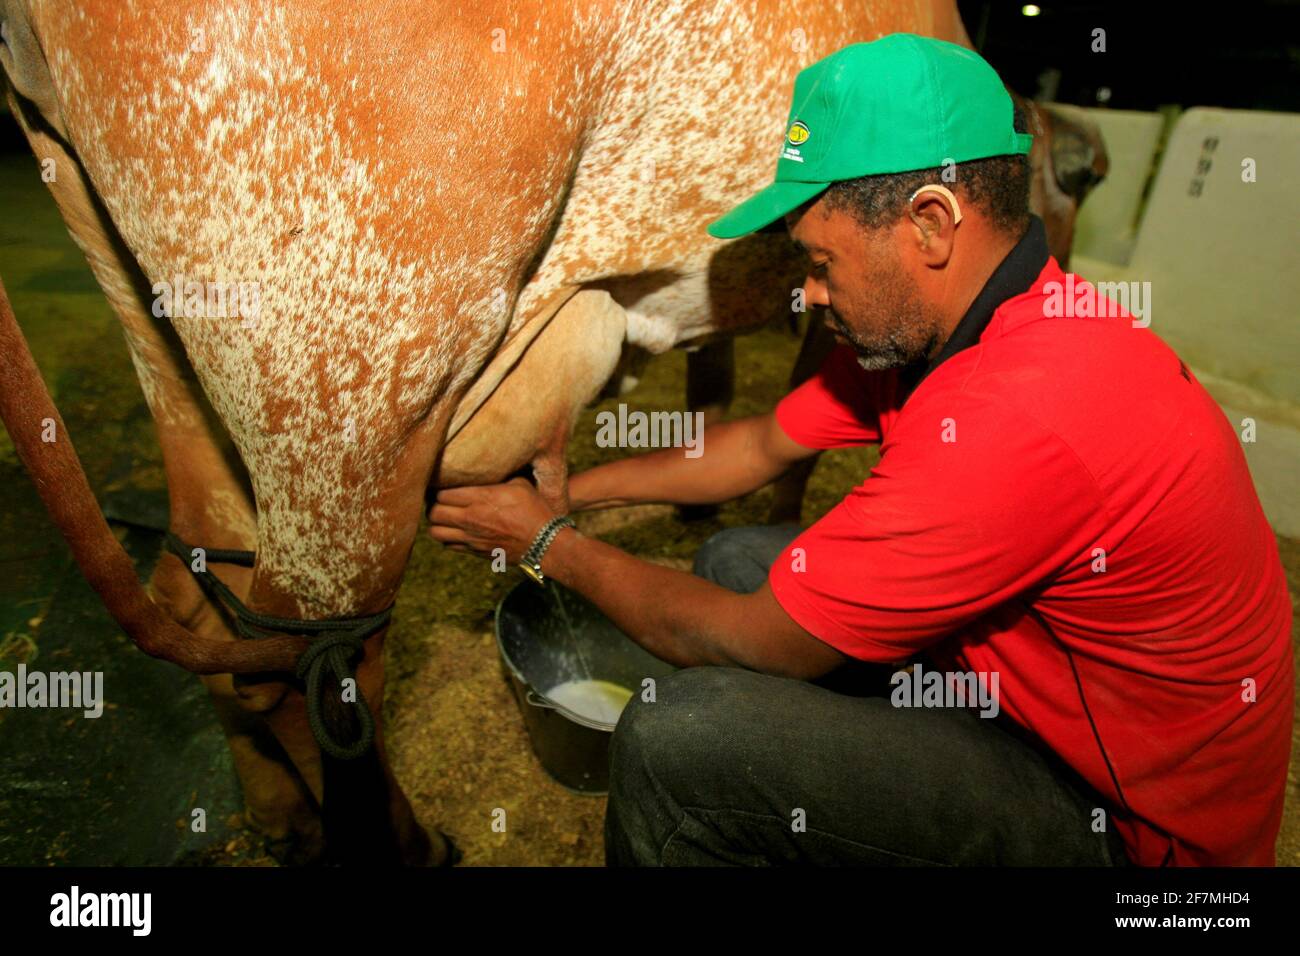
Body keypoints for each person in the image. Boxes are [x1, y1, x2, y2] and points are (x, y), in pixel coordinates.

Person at [428, 34, 1293, 866]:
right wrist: (572, 492)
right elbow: (758, 445)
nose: (806, 296)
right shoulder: (970, 321)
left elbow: (751, 641)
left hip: (1124, 826)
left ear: (928, 224)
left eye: (818, 262)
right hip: (1028, 691)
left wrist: (545, 544)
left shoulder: (1014, 415)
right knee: (734, 555)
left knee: (678, 736)